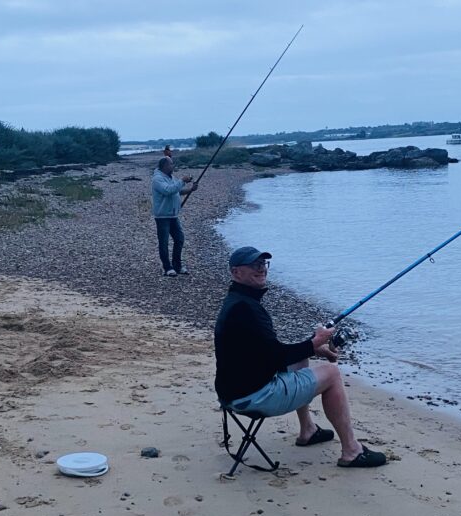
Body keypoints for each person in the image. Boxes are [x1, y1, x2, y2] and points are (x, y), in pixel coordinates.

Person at [214, 246, 387, 468]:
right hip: (252, 397)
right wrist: (316, 341)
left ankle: (308, 430)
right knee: (332, 373)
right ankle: (352, 451)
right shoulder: (246, 309)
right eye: (254, 265)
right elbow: (276, 357)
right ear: (236, 272)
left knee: (299, 360)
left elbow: (264, 353)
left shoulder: (237, 302)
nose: (261, 269)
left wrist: (313, 349)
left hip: (233, 392)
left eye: (263, 264)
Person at [151, 157, 197, 277]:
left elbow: (178, 191)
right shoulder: (157, 179)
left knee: (179, 239)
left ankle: (177, 266)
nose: (173, 166)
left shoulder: (171, 177)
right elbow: (168, 190)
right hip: (162, 217)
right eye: (171, 164)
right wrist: (182, 180)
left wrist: (190, 190)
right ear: (164, 166)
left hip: (173, 215)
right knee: (164, 242)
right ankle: (167, 268)